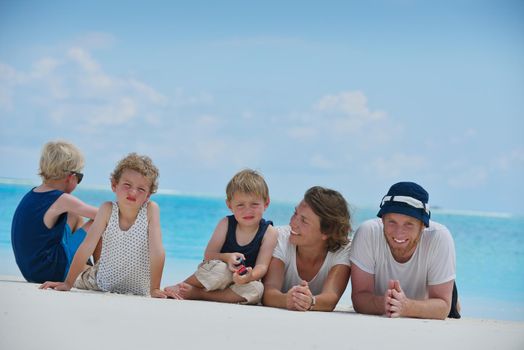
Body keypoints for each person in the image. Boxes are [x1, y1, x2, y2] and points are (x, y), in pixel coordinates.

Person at [40, 153, 167, 298]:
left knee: (90, 266)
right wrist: (68, 283)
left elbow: (157, 251)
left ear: (148, 195)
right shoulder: (107, 209)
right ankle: (74, 272)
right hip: (101, 281)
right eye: (127, 185)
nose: (133, 192)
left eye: (141, 189)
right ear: (114, 185)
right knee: (83, 274)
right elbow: (87, 246)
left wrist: (155, 289)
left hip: (140, 287)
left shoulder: (151, 210)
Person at [164, 169, 278, 305]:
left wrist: (249, 276)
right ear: (230, 205)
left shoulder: (269, 232)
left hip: (241, 280)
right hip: (218, 273)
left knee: (257, 289)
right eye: (240, 205)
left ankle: (199, 294)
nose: (248, 210)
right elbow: (208, 255)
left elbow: (262, 266)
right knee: (221, 271)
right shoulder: (226, 224)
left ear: (266, 203)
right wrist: (227, 257)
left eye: (254, 204)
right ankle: (181, 286)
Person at [349, 181, 461, 319]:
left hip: (428, 300)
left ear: (423, 226)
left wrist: (406, 306)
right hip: (390, 304)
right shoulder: (368, 232)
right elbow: (359, 298)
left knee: (453, 306)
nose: (399, 232)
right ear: (382, 220)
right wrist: (385, 303)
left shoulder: (439, 236)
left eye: (409, 224)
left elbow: (443, 307)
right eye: (392, 222)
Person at [11, 140, 98, 283]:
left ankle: (84, 265)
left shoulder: (33, 194)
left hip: (32, 271)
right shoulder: (61, 199)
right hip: (50, 271)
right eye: (79, 177)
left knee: (73, 215)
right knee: (99, 221)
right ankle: (98, 273)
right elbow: (102, 214)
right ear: (71, 177)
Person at [263, 186, 351, 311]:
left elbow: (331, 298)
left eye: (303, 220)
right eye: (295, 213)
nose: (292, 223)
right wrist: (287, 300)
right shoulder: (280, 237)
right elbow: (269, 292)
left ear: (327, 231)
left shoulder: (343, 250)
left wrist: (310, 301)